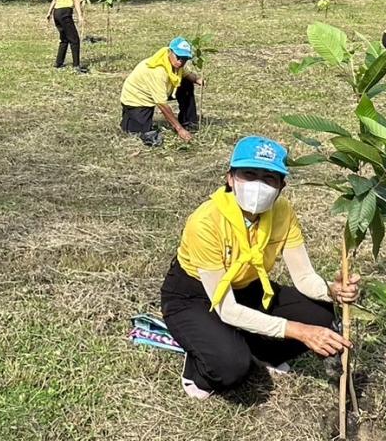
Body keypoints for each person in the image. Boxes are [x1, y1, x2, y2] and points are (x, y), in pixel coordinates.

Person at [161, 136, 360, 399]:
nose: (258, 185)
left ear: (281, 186)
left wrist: (332, 291)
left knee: (322, 313)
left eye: (269, 178)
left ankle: (260, 349)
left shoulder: (282, 212)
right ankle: (200, 360)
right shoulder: (206, 221)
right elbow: (227, 309)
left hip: (247, 286)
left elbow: (304, 277)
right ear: (230, 178)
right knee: (231, 366)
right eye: (249, 174)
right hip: (195, 296)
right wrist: (299, 331)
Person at [120, 37, 203, 146]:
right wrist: (179, 129)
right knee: (138, 132)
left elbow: (186, 74)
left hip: (163, 90)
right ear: (170, 52)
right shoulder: (158, 71)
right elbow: (162, 105)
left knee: (187, 83)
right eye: (178, 57)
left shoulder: (177, 64)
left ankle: (189, 122)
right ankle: (130, 120)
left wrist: (197, 80)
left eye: (184, 58)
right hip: (137, 99)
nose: (181, 61)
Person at [45, 0, 89, 73]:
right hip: (65, 13)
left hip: (57, 13)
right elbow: (76, 0)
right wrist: (80, 16)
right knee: (75, 40)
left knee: (64, 39)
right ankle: (76, 66)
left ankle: (58, 63)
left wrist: (49, 13)